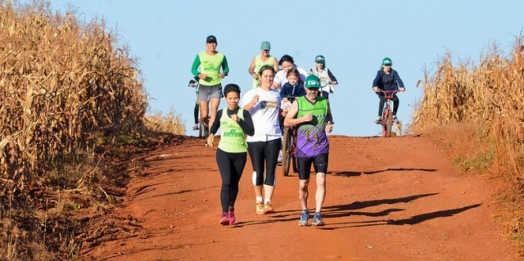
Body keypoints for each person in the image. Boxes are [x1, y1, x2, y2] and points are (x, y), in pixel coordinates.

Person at [284, 74, 333, 227]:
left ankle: (318, 214)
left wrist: (329, 126)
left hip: (321, 147)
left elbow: (329, 118)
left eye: (315, 88)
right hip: (303, 149)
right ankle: (305, 210)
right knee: (303, 184)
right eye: (310, 88)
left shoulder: (324, 102)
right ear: (305, 88)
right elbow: (287, 121)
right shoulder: (299, 103)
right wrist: (302, 119)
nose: (313, 91)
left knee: (322, 181)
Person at [207, 84, 255, 226]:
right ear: (225, 99)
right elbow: (215, 125)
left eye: (236, 98)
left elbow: (251, 131)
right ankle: (224, 213)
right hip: (224, 151)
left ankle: (231, 208)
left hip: (240, 152)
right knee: (226, 181)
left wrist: (239, 121)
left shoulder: (244, 114)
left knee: (234, 182)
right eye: (230, 98)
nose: (233, 100)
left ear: (239, 98)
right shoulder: (221, 113)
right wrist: (210, 135)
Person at [241, 65, 282, 215]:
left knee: (271, 169)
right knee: (258, 170)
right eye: (265, 76)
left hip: (274, 136)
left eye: (271, 76)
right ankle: (259, 199)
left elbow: (279, 113)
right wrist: (252, 103)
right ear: (259, 77)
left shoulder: (277, 95)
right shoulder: (252, 93)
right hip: (255, 138)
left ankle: (268, 202)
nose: (268, 79)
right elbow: (242, 112)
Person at [191, 35, 229, 136]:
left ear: (216, 44)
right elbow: (193, 69)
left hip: (216, 86)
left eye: (214, 43)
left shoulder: (221, 56)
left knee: (214, 112)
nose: (212, 45)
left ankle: (210, 135)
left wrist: (223, 73)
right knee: (204, 115)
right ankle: (208, 126)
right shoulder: (200, 55)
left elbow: (226, 68)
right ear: (206, 44)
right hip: (203, 87)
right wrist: (199, 75)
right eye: (210, 43)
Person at [372, 57, 405, 124]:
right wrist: (374, 86)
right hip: (382, 91)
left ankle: (394, 116)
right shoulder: (380, 73)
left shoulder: (394, 72)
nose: (387, 67)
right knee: (383, 99)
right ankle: (379, 116)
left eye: (389, 65)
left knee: (396, 100)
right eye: (386, 65)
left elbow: (399, 80)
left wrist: (402, 87)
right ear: (383, 66)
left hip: (391, 91)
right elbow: (376, 80)